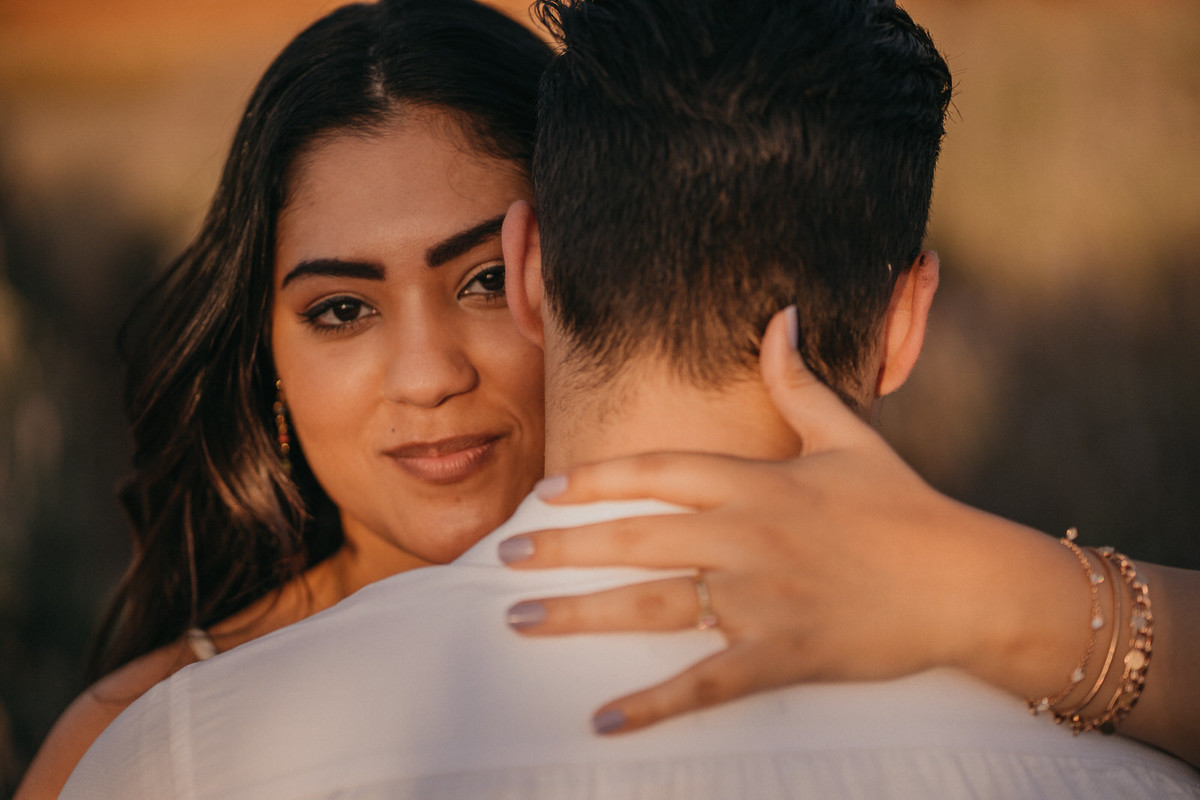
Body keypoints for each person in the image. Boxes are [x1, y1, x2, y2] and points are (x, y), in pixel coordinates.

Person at [59, 0, 1200, 796]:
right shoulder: (154, 733)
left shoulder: (183, 758)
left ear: (542, 264)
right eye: (342, 308)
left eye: (481, 281)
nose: (429, 375)